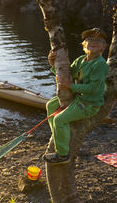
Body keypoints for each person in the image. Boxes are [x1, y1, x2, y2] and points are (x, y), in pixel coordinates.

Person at [43, 28, 109, 164]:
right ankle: (58, 136)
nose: (93, 42)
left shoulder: (100, 65)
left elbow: (94, 88)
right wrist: (52, 64)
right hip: (78, 98)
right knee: (50, 105)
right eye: (89, 39)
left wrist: (71, 87)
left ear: (104, 47)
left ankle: (62, 155)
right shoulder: (80, 60)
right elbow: (68, 74)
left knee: (60, 120)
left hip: (89, 104)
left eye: (98, 40)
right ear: (84, 45)